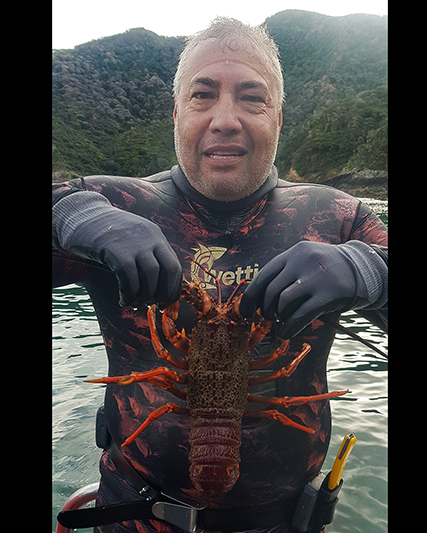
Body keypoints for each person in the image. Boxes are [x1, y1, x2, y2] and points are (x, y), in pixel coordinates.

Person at [52, 17, 387, 533]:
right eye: (202, 95)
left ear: (277, 117)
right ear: (177, 114)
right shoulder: (112, 203)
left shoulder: (341, 219)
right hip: (135, 515)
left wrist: (371, 270)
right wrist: (68, 217)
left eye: (251, 98)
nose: (225, 118)